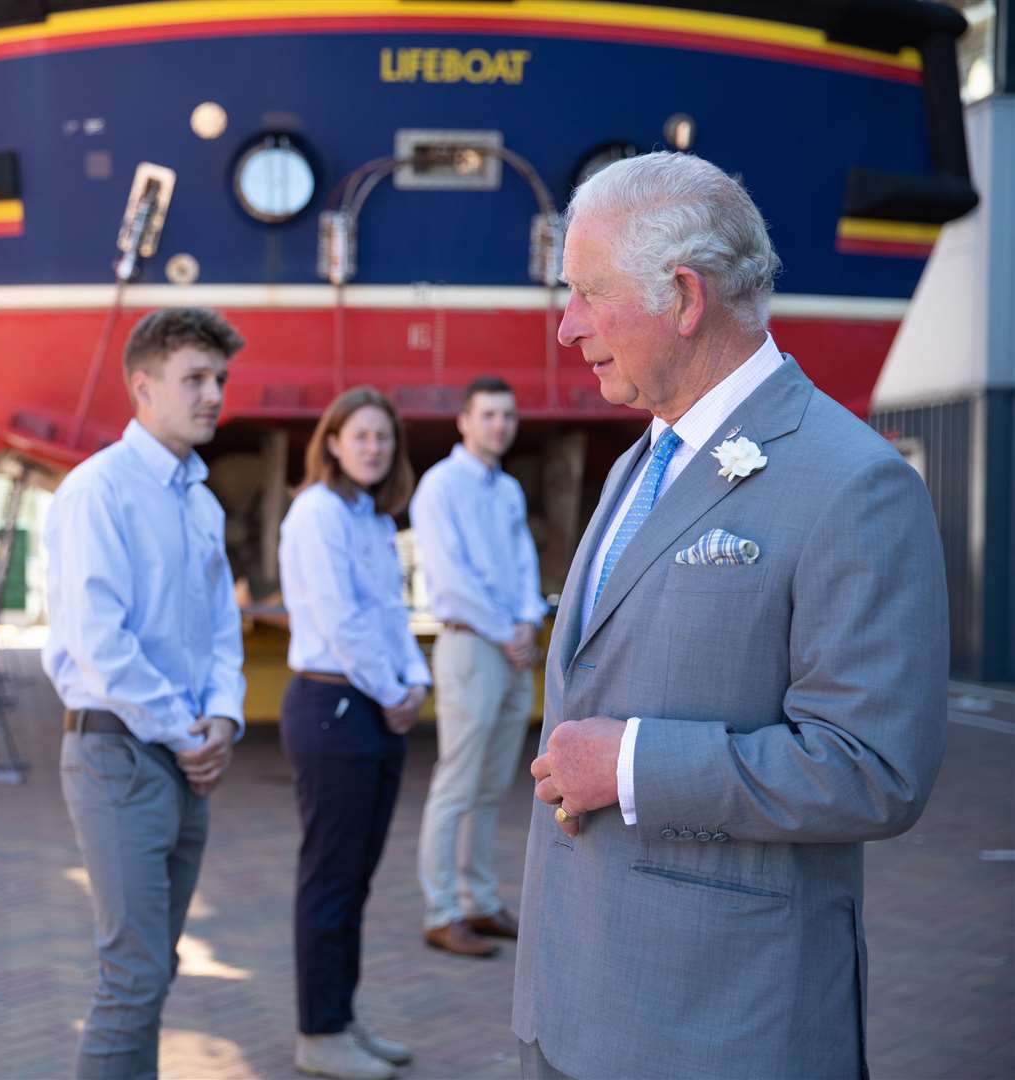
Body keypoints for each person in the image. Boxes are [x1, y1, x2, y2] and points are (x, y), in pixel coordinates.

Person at [514, 152, 948, 1079]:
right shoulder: (643, 460)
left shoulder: (855, 483)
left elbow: (874, 770)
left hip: (719, 1026)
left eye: (588, 293)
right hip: (573, 1002)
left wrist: (630, 763)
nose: (566, 326)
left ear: (683, 295)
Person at [42, 307, 248, 1080]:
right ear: (143, 385)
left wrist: (223, 716)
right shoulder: (100, 491)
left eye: (218, 379)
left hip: (180, 753)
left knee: (152, 972)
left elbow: (219, 632)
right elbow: (100, 644)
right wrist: (185, 732)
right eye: (194, 378)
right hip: (119, 754)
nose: (213, 395)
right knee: (131, 979)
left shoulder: (200, 500)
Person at [277, 386, 427, 1080]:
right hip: (334, 706)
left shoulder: (369, 517)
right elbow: (340, 621)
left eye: (384, 437)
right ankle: (318, 1033)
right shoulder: (317, 514)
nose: (374, 447)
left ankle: (341, 1017)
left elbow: (390, 616)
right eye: (360, 435)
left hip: (372, 707)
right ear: (332, 441)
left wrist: (414, 680)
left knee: (356, 880)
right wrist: (396, 691)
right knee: (330, 879)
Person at [410, 375, 545, 958]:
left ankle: (480, 900)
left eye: (507, 416)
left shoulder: (508, 489)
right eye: (488, 415)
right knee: (457, 782)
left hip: (509, 647)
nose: (499, 425)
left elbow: (523, 564)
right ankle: (441, 911)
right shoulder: (439, 487)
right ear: (463, 421)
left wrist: (528, 621)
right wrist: (505, 631)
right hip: (469, 645)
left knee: (492, 784)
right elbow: (449, 577)